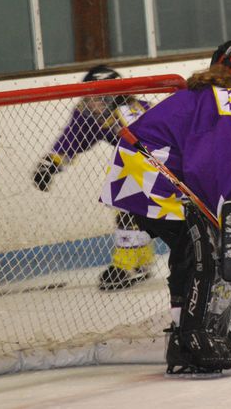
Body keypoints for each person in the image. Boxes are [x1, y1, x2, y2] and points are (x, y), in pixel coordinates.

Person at [99, 37, 231, 377]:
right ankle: (193, 337)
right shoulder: (228, 99)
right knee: (201, 250)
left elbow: (216, 165)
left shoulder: (212, 95)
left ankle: (202, 327)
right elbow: (210, 166)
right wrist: (230, 225)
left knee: (191, 252)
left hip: (140, 173)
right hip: (153, 175)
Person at [31, 65, 157, 291]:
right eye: (91, 96)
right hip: (145, 164)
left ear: (116, 96)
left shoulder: (134, 112)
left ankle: (126, 265)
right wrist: (51, 163)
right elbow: (72, 139)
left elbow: (152, 151)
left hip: (171, 163)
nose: (93, 102)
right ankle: (140, 262)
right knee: (128, 206)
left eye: (100, 97)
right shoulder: (94, 113)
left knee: (128, 204)